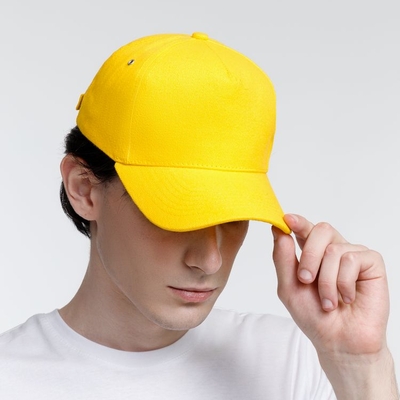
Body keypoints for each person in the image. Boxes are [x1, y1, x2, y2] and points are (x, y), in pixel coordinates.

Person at [0, 32, 398, 399]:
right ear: (84, 189)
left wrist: (361, 369)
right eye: (176, 213)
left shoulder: (299, 363)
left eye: (232, 215)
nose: (210, 260)